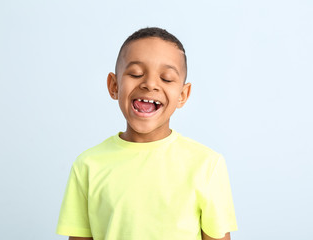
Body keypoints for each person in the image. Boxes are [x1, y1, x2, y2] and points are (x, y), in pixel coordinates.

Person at [56, 27, 237, 240]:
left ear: (183, 94)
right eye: (136, 74)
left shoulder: (207, 164)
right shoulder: (87, 165)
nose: (150, 84)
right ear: (114, 86)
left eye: (167, 78)